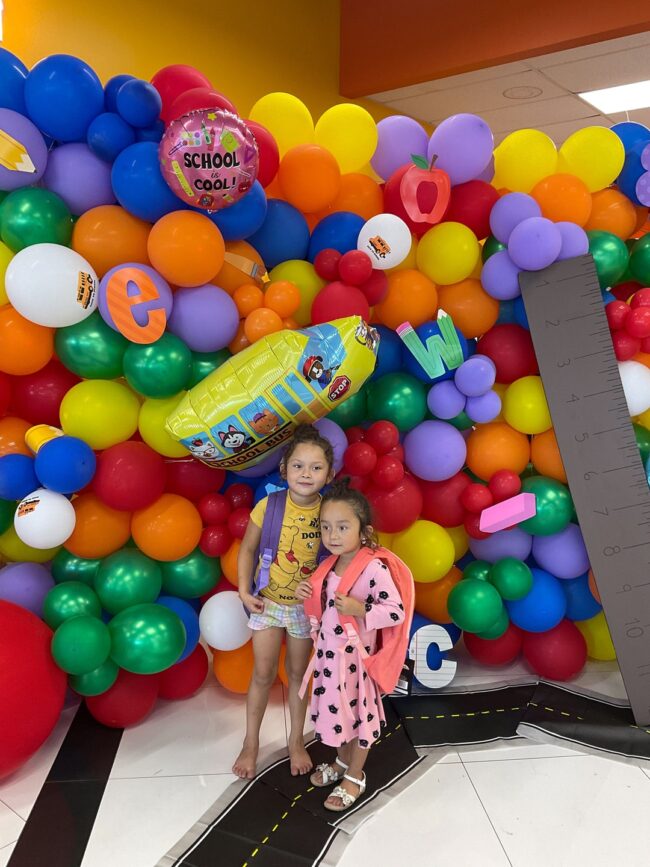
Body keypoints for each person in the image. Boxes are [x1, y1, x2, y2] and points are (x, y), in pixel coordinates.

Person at [296, 479, 411, 812]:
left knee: (359, 718)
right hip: (328, 661)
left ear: (364, 532)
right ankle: (342, 761)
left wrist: (361, 609)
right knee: (337, 716)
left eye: (343, 527)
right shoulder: (327, 567)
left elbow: (396, 611)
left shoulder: (373, 568)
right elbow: (323, 611)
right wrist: (307, 594)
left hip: (356, 664)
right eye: (326, 527)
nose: (332, 535)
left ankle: (355, 775)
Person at [233, 424, 335, 780]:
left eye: (316, 467)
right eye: (298, 466)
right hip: (268, 604)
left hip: (305, 611)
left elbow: (340, 559)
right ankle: (250, 743)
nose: (306, 474)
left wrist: (321, 589)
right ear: (284, 469)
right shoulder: (270, 505)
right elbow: (247, 548)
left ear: (329, 474)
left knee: (297, 676)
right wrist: (244, 591)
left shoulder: (329, 512)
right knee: (262, 674)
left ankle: (296, 741)